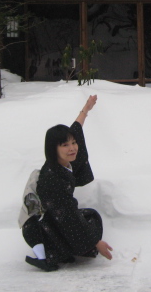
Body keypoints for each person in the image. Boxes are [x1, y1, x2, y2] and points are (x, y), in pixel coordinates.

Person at [19, 95, 113, 271]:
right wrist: (95, 242)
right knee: (87, 223)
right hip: (41, 226)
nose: (72, 148)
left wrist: (86, 109)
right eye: (65, 145)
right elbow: (67, 216)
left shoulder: (62, 164)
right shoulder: (53, 178)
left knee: (89, 217)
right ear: (53, 149)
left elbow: (75, 129)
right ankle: (48, 256)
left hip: (56, 215)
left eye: (74, 143)